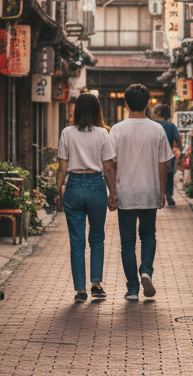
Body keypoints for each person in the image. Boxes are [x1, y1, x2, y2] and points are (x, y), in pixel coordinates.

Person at [109, 83, 175, 300]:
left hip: (126, 192)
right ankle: (146, 269)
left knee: (127, 242)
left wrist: (112, 191)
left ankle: (132, 289)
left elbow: (110, 164)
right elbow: (163, 163)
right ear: (147, 104)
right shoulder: (157, 129)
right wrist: (162, 191)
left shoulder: (118, 129)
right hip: (149, 191)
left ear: (126, 103)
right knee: (148, 235)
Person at [55, 93, 117, 303]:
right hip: (96, 185)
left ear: (77, 110)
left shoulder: (67, 133)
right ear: (97, 110)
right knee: (97, 238)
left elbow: (62, 166)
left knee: (76, 241)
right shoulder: (103, 134)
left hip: (73, 186)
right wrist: (113, 194)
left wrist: (58, 190)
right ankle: (96, 285)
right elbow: (108, 168)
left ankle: (80, 289)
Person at [153, 104, 182, 205]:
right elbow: (178, 140)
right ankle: (169, 196)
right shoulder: (171, 125)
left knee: (154, 175)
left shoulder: (153, 125)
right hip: (168, 154)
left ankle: (156, 195)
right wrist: (180, 151)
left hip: (154, 154)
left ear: (157, 113)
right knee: (168, 175)